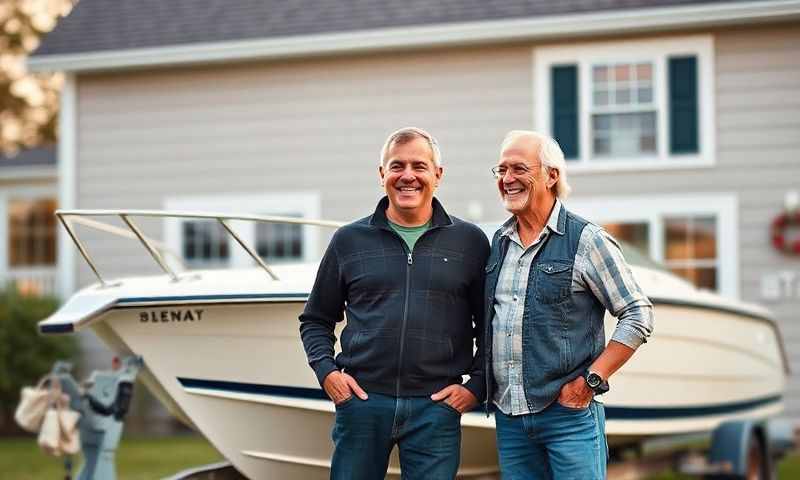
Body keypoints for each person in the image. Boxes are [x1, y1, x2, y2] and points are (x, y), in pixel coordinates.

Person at [299, 127, 489, 479]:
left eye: (419, 166)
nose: (408, 176)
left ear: (438, 175)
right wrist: (328, 375)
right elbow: (315, 320)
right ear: (382, 174)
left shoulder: (470, 242)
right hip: (362, 404)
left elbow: (491, 325)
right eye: (396, 166)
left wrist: (475, 387)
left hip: (437, 408)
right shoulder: (349, 240)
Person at [485, 130, 655, 479]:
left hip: (569, 417)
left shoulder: (587, 240)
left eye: (519, 168)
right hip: (510, 419)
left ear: (552, 176)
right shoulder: (499, 243)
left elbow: (638, 313)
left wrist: (591, 380)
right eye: (501, 170)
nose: (507, 179)